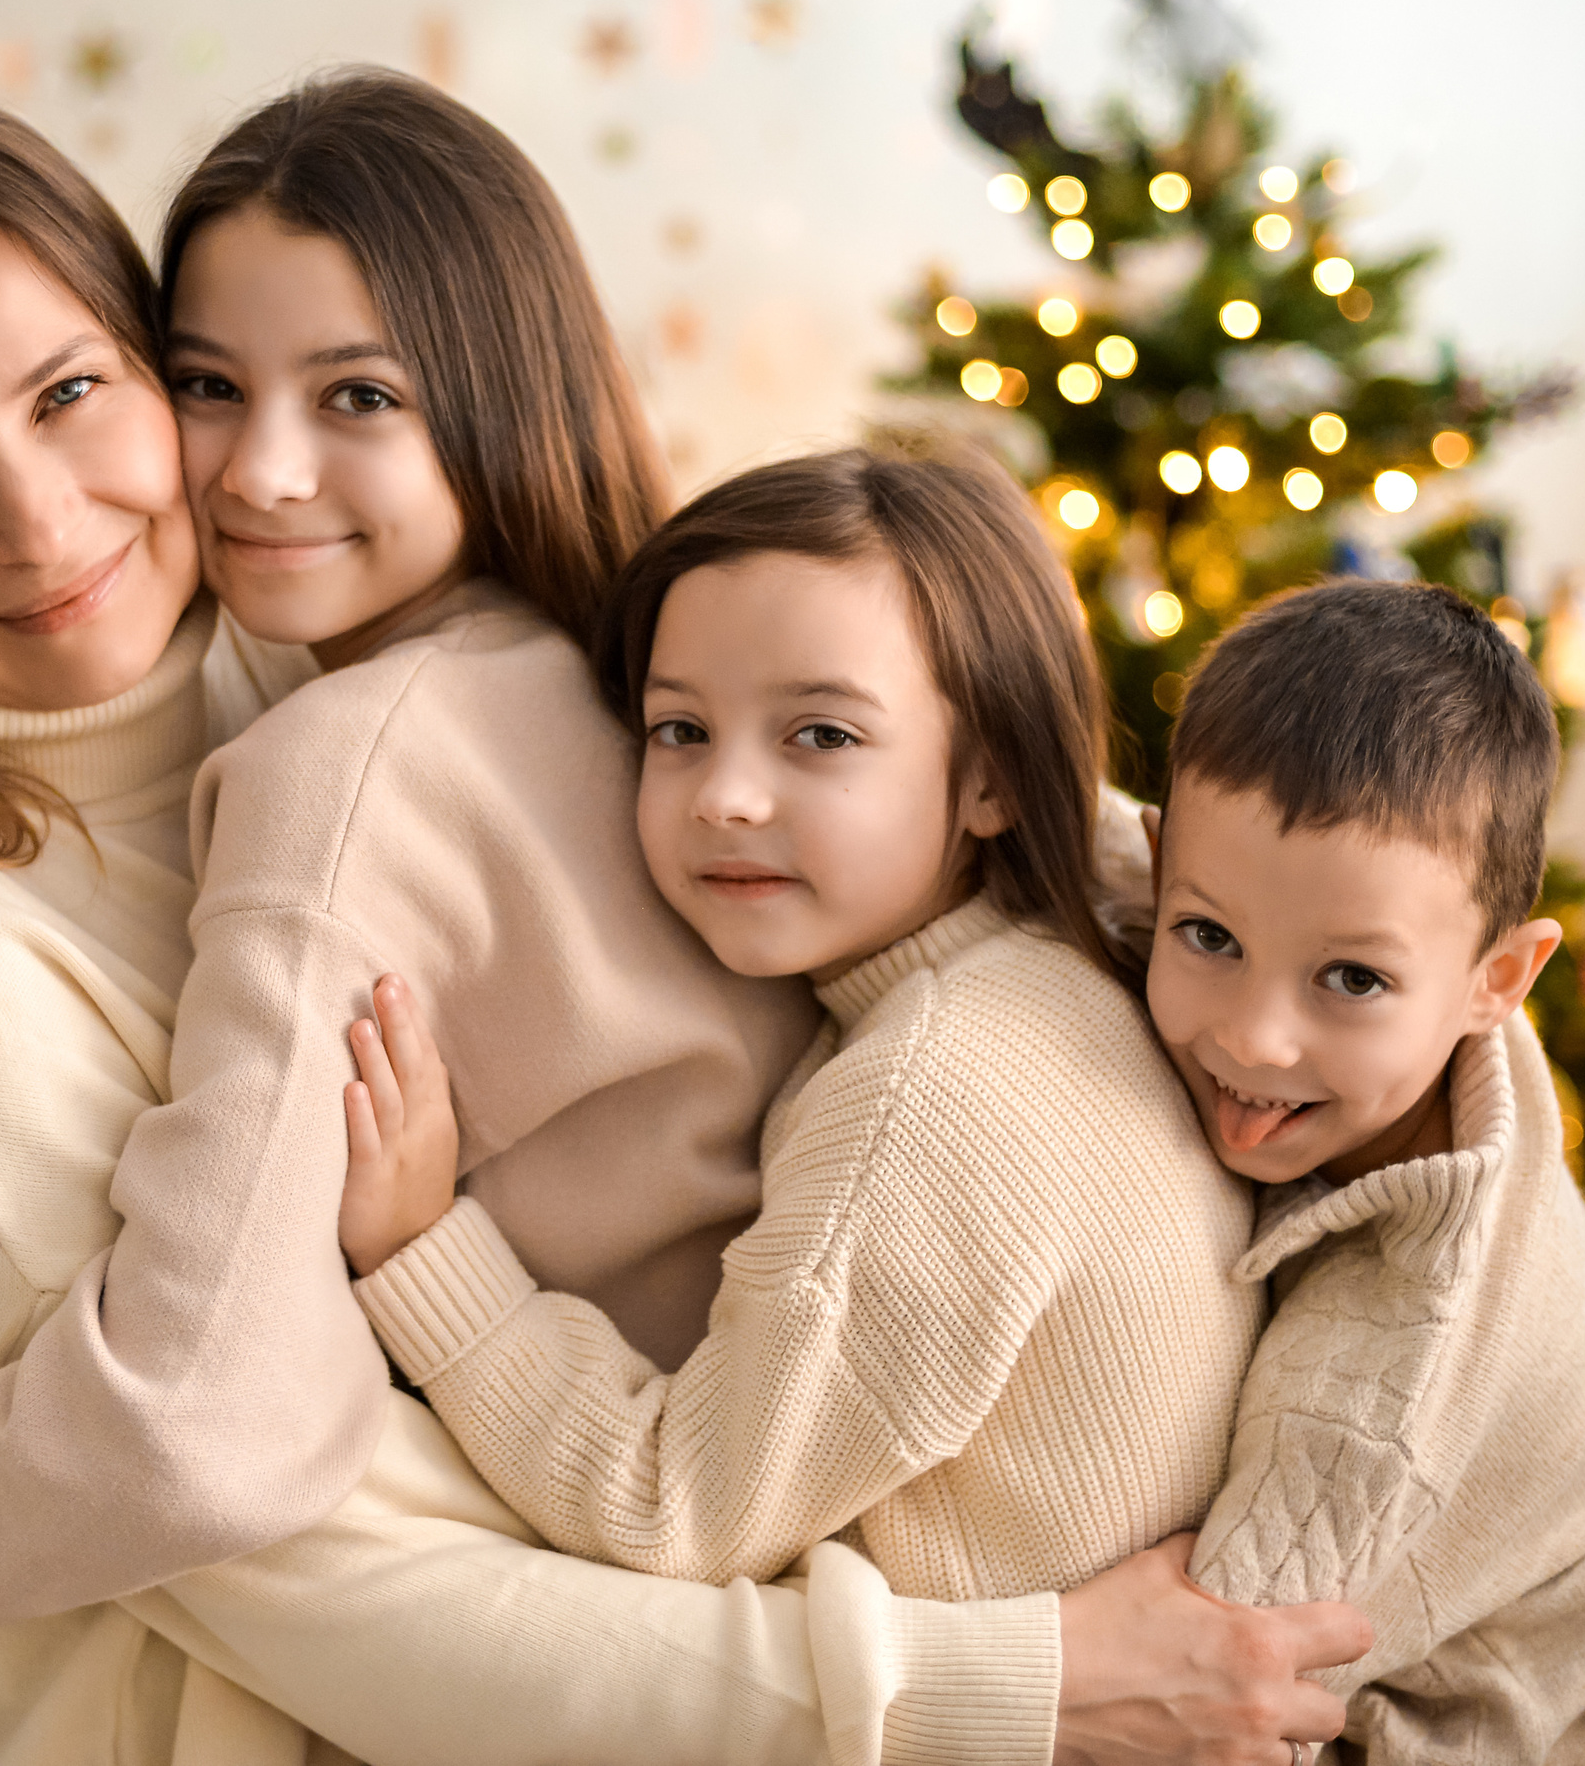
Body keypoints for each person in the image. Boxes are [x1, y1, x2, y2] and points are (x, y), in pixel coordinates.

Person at [0, 84, 1369, 1763]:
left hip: (789, 1554)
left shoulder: (408, 711)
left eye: (71, 394)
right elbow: (213, 1442)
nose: (56, 517)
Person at [334, 447, 1266, 1613]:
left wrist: (423, 1246)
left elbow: (670, 1506)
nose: (725, 795)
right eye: (679, 728)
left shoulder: (930, 1089)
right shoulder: (1063, 969)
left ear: (991, 777)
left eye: (821, 735)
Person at [1143, 581, 1585, 1757]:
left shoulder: (1378, 1387)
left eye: (1351, 979)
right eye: (1207, 934)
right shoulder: (1424, 1015)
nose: (1254, 1036)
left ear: (1496, 981)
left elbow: (1209, 1700)